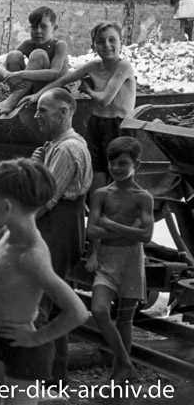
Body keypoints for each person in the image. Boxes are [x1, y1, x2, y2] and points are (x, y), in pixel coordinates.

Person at [0, 158, 88, 405]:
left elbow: (78, 312)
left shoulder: (30, 254)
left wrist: (35, 338)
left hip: (25, 349)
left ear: (6, 205)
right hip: (1, 338)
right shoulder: (10, 232)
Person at [21, 21, 136, 198]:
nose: (107, 45)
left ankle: (114, 215)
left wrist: (88, 90)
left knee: (116, 169)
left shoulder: (123, 66)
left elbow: (105, 100)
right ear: (94, 45)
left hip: (118, 125)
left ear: (122, 42)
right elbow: (62, 80)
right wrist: (37, 96)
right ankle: (96, 211)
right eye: (100, 41)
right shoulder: (93, 66)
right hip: (96, 123)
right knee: (97, 166)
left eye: (112, 40)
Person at [29, 88, 93, 385]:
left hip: (59, 227)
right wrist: (38, 163)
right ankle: (55, 377)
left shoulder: (68, 149)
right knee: (55, 306)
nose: (36, 115)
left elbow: (46, 199)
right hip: (60, 225)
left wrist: (18, 225)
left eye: (43, 110)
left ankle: (39, 378)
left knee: (40, 305)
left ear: (64, 112)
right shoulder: (58, 144)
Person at [85, 136, 153, 382]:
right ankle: (126, 363)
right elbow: (92, 230)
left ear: (138, 165)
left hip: (132, 262)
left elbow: (146, 236)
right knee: (99, 310)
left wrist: (110, 224)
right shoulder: (101, 194)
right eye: (112, 163)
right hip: (107, 260)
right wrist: (128, 229)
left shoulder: (143, 197)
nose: (116, 168)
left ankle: (119, 374)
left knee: (125, 320)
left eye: (123, 163)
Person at [0, 6, 69, 115]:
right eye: (34, 27)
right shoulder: (27, 44)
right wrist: (7, 74)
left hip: (51, 92)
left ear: (54, 28)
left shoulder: (59, 45)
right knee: (13, 55)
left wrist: (21, 74)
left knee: (39, 54)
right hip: (27, 91)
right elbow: (0, 68)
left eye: (43, 27)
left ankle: (11, 101)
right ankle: (16, 98)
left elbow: (54, 74)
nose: (38, 31)